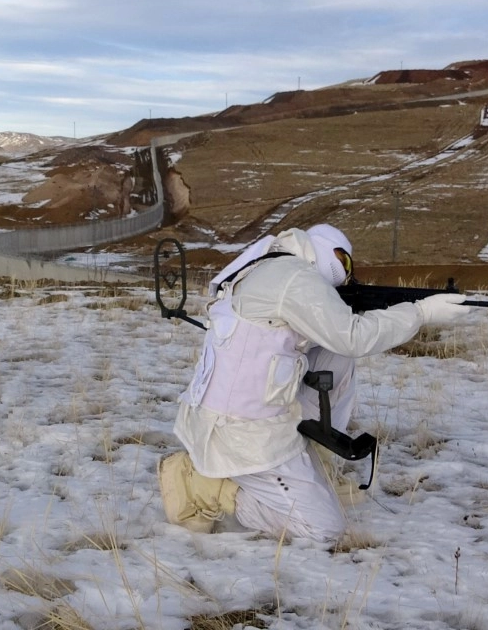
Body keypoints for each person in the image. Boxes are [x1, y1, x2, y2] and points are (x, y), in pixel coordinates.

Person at [159, 224, 471, 546]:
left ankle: (313, 464)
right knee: (324, 529)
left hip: (241, 416)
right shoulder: (294, 277)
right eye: (341, 260)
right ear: (319, 247)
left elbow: (338, 342)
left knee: (337, 356)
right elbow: (353, 336)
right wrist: (420, 313)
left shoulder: (273, 268)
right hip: (242, 432)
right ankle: (207, 487)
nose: (343, 272)